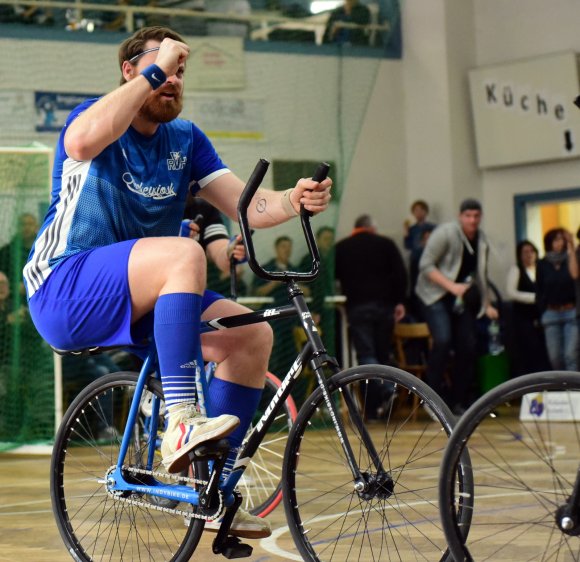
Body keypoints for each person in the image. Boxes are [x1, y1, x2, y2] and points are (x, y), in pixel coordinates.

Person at [22, 25, 331, 539]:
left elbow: (248, 205)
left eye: (180, 72)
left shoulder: (186, 139)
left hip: (148, 290)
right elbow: (79, 142)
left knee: (251, 336)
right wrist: (157, 66)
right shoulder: (95, 120)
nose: (173, 80)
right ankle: (182, 419)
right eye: (163, 67)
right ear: (131, 71)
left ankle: (213, 492)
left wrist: (292, 200)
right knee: (185, 253)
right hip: (65, 285)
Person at [415, 198, 498, 416]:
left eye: (476, 216)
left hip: (460, 299)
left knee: (468, 346)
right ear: (461, 216)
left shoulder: (481, 241)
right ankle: (431, 399)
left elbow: (482, 275)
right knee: (442, 340)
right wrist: (452, 287)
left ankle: (459, 401)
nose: (472, 220)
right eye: (468, 216)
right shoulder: (445, 233)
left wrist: (487, 304)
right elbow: (425, 265)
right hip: (434, 295)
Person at [335, 214, 407, 418]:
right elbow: (400, 274)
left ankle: (374, 405)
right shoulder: (386, 244)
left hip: (357, 307)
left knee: (366, 355)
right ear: (372, 228)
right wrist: (399, 301)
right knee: (382, 354)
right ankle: (384, 398)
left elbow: (332, 275)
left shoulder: (342, 248)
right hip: (384, 307)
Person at [252, 235, 297, 376]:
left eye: (289, 247)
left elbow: (308, 290)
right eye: (284, 247)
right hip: (272, 321)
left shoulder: (295, 269)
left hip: (291, 322)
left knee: (291, 357)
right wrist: (275, 282)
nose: (287, 250)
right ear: (276, 249)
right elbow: (257, 292)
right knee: (274, 357)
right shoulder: (266, 269)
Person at [536, 228, 578, 371]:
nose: (558, 243)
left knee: (571, 354)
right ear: (549, 242)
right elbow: (539, 289)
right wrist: (541, 312)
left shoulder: (570, 259)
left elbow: (575, 275)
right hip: (551, 313)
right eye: (555, 240)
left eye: (561, 239)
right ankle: (560, 387)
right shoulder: (542, 264)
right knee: (555, 357)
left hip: (570, 312)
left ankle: (573, 390)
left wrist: (571, 246)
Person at [506, 240, 550, 375]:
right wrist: (534, 298)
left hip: (541, 315)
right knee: (527, 349)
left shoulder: (541, 268)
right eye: (525, 252)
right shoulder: (517, 269)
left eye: (531, 251)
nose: (529, 254)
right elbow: (511, 292)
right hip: (523, 317)